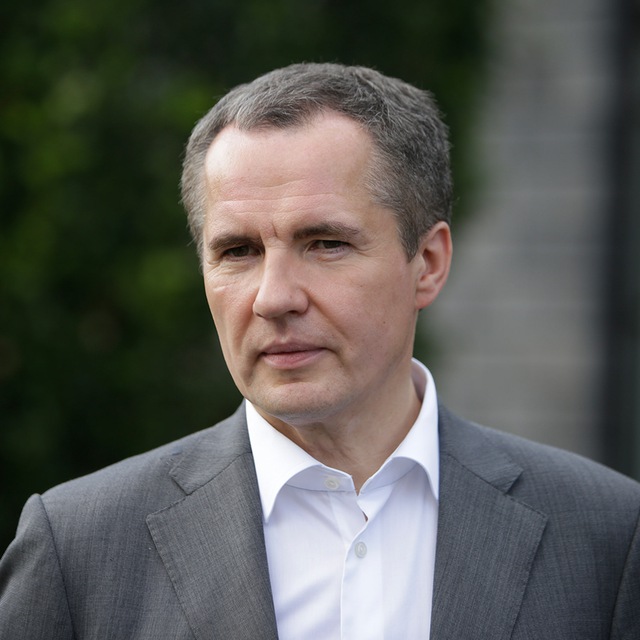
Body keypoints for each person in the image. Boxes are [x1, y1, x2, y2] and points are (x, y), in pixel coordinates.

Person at [1, 62, 639, 640]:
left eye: (325, 243)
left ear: (428, 263)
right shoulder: (78, 551)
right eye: (238, 251)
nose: (273, 298)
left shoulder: (608, 536)